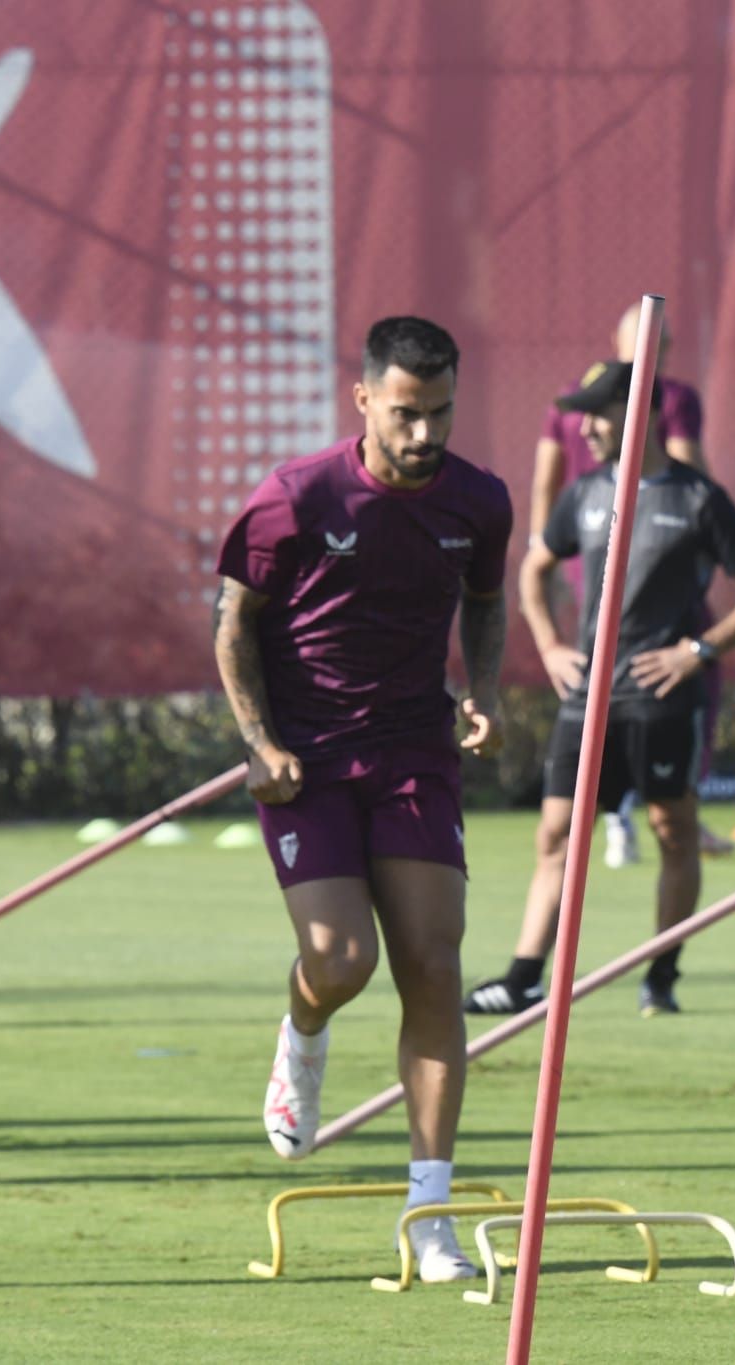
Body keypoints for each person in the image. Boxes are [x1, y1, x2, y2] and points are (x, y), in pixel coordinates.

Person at [214, 316, 511, 1282]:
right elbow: (234, 625)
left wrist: (484, 691)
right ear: (364, 401)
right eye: (405, 414)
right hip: (306, 762)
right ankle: (303, 1035)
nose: (424, 434)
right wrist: (260, 742)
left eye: (441, 413)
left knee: (432, 963)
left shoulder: (479, 500)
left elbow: (485, 601)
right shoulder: (295, 497)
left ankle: (430, 1215)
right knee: (342, 960)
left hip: (415, 752)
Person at [466, 359, 735, 1018]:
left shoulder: (698, 498)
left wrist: (699, 650)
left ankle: (661, 976)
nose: (586, 427)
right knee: (557, 833)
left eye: (600, 412)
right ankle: (523, 977)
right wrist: (548, 645)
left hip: (661, 700)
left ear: (643, 411)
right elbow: (534, 569)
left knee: (673, 830)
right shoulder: (586, 493)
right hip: (587, 699)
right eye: (583, 414)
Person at [528, 304, 726, 870]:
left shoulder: (663, 398)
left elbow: (683, 479)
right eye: (648, 344)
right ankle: (637, 806)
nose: (655, 357)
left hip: (606, 561)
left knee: (654, 674)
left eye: (662, 346)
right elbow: (685, 468)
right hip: (622, 562)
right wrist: (544, 556)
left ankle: (649, 807)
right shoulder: (649, 400)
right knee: (653, 675)